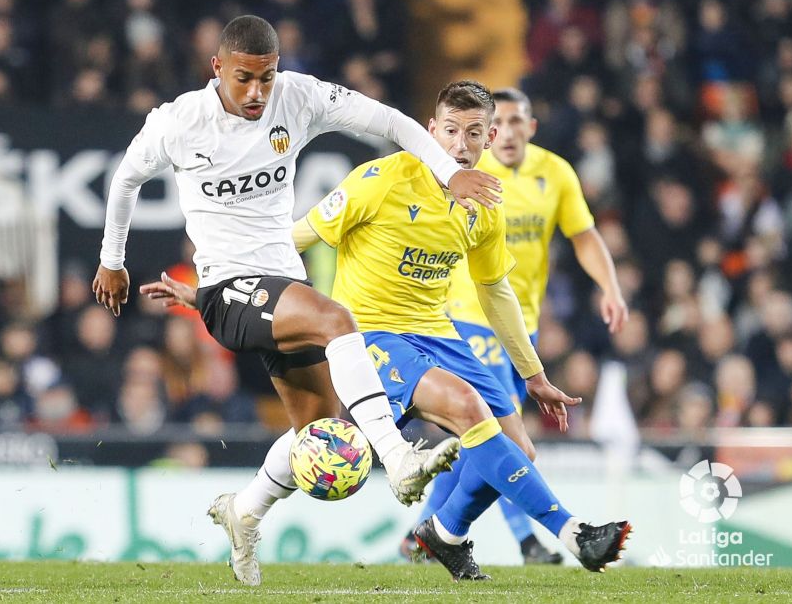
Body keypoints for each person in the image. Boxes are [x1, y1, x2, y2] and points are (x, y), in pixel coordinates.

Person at [142, 80, 631, 582]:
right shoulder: (380, 181)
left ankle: (444, 533)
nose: (461, 146)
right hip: (372, 335)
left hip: (439, 334)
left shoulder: (483, 201)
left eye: (475, 134)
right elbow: (298, 234)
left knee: (516, 448)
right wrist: (215, 283)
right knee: (464, 411)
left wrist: (533, 374)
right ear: (429, 131)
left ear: (489, 139)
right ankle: (575, 534)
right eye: (451, 132)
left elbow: (494, 291)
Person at [93, 15, 500, 585]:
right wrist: (113, 260)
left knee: (323, 431)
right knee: (337, 319)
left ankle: (244, 511)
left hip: (282, 283)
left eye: (267, 77)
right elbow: (125, 180)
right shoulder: (179, 122)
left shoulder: (300, 98)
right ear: (217, 69)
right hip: (228, 292)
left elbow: (395, 123)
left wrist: (447, 172)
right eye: (244, 79)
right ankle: (399, 457)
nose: (257, 92)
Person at [403, 86, 630, 564]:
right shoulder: (463, 171)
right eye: (497, 124)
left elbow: (584, 236)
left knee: (475, 437)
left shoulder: (555, 173)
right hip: (465, 317)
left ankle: (427, 531)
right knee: (503, 430)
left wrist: (609, 286)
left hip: (519, 323)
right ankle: (529, 541)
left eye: (514, 122)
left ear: (531, 127)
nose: (505, 133)